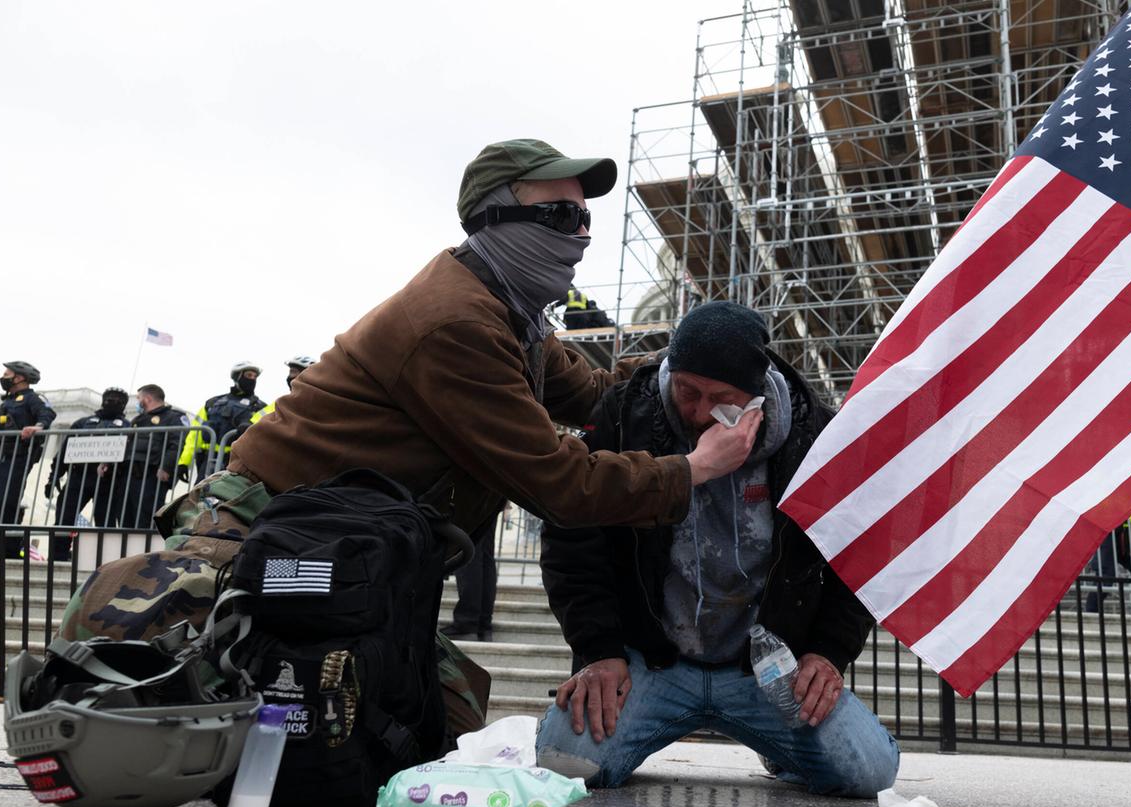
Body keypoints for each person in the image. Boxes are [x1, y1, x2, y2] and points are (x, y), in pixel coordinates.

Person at [61, 139, 759, 745]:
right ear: (493, 220)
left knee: (435, 715)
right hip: (268, 534)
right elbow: (558, 483)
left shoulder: (511, 315)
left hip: (347, 543)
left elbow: (596, 394)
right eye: (558, 214)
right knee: (322, 717)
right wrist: (690, 470)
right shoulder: (455, 321)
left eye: (583, 216)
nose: (579, 233)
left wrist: (692, 367)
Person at [535, 301, 898, 798]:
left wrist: (828, 653)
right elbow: (572, 535)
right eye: (687, 391)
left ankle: (777, 745)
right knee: (565, 759)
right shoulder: (625, 413)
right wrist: (599, 651)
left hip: (764, 669)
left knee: (868, 770)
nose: (701, 412)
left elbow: (855, 550)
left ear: (756, 393)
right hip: (655, 661)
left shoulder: (814, 432)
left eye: (721, 398)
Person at [0, 362, 56, 539]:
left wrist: (38, 426)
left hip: (14, 459)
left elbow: (47, 413)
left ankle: (5, 548)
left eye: (7, 374)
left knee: (4, 504)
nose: (3, 378)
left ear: (19, 378)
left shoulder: (32, 398)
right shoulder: (7, 402)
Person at [46, 388, 130, 548]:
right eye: (110, 398)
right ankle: (58, 556)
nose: (113, 402)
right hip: (78, 478)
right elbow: (64, 452)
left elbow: (127, 456)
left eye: (119, 400)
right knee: (64, 518)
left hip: (108, 482)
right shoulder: (83, 423)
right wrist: (54, 477)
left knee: (105, 523)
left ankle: (108, 562)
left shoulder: (127, 426)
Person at [178, 362, 266, 478]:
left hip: (235, 463)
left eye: (255, 377)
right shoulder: (212, 403)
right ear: (237, 377)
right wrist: (184, 462)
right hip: (206, 461)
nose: (252, 379)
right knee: (200, 494)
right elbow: (194, 435)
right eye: (249, 375)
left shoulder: (261, 408)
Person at [119, 384, 189, 529]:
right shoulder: (138, 420)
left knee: (145, 519)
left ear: (148, 398)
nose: (138, 402)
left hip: (152, 476)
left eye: (139, 398)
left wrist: (166, 467)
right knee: (125, 518)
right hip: (129, 477)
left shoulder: (174, 417)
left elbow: (177, 444)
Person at [442, 512, 498, 641]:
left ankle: (467, 623)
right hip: (496, 496)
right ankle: (483, 625)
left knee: (468, 548)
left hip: (475, 496)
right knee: (485, 553)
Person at [249, 356, 316, 425]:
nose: (290, 376)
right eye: (290, 372)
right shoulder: (282, 402)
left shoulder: (317, 402)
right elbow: (256, 420)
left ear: (306, 375)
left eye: (293, 372)